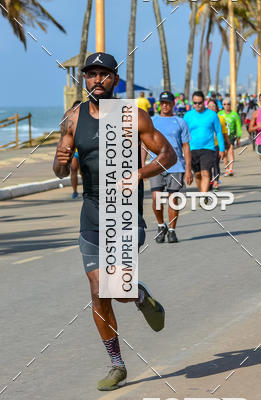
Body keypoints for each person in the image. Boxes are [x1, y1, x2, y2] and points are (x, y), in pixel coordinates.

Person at [52, 52, 177, 391]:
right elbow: (60, 169)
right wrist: (60, 161)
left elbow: (168, 155)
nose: (97, 80)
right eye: (91, 74)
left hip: (124, 214)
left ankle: (138, 295)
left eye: (104, 74)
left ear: (114, 80)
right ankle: (117, 364)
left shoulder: (131, 116)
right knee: (98, 291)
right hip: (91, 215)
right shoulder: (73, 118)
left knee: (116, 288)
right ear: (85, 79)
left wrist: (138, 173)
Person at [142, 91, 192, 243]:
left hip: (176, 166)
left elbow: (186, 146)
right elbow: (145, 145)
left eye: (168, 103)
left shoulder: (180, 122)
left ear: (173, 104)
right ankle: (160, 225)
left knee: (173, 200)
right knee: (156, 198)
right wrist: (142, 166)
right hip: (155, 166)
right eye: (162, 103)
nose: (165, 106)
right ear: (159, 104)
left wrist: (188, 169)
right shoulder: (152, 121)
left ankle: (171, 230)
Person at [184, 90, 225, 193]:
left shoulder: (212, 115)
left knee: (205, 173)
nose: (197, 105)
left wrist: (222, 148)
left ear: (204, 102)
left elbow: (219, 132)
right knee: (197, 174)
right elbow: (183, 134)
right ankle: (203, 193)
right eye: (195, 103)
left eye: (200, 103)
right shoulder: (188, 116)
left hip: (208, 148)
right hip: (192, 149)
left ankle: (203, 196)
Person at [206, 99, 229, 190]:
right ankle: (209, 181)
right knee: (207, 165)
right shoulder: (204, 118)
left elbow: (224, 133)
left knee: (215, 163)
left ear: (216, 108)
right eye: (209, 106)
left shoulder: (221, 119)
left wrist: (226, 144)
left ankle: (216, 182)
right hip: (206, 145)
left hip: (216, 145)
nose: (211, 108)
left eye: (213, 106)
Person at [218, 97, 243, 176]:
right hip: (222, 136)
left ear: (230, 105)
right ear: (222, 105)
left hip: (231, 136)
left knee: (231, 151)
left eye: (228, 104)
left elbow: (238, 126)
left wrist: (239, 137)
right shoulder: (219, 114)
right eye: (224, 104)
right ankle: (226, 169)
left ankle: (231, 169)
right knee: (224, 153)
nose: (226, 106)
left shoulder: (234, 114)